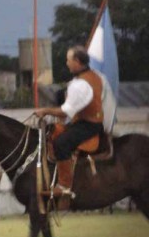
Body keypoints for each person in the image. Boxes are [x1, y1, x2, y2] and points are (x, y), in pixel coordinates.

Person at [35, 45, 104, 197]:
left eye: (68, 60)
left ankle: (64, 186)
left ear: (77, 61)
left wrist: (44, 111)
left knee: (61, 143)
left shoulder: (80, 84)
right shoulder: (94, 76)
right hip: (90, 120)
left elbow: (65, 111)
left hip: (88, 124)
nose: (66, 63)